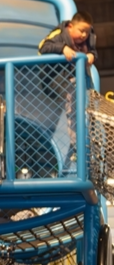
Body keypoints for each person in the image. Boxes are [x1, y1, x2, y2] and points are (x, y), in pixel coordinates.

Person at [38, 11, 97, 167]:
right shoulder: (60, 33)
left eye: (87, 31)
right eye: (81, 31)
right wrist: (62, 48)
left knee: (80, 111)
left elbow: (93, 51)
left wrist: (92, 55)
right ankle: (75, 147)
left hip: (76, 81)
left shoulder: (90, 36)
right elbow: (42, 47)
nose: (84, 35)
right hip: (56, 80)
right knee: (71, 110)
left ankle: (83, 145)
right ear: (70, 26)